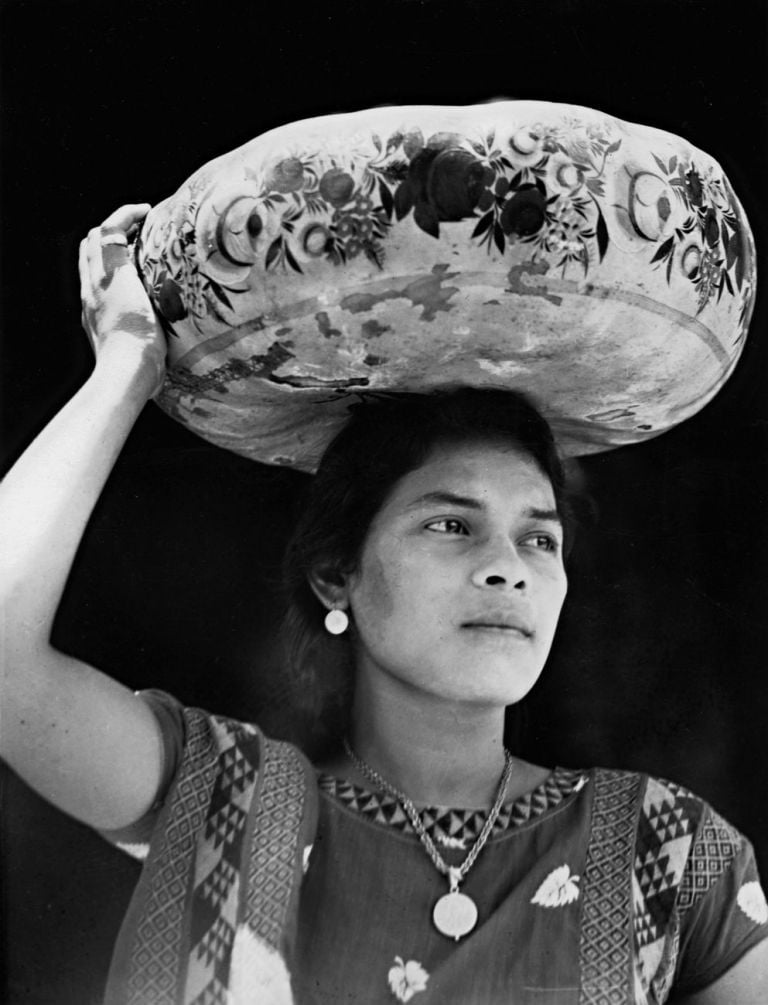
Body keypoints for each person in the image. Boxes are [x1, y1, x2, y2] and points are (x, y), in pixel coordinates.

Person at [2, 203, 767, 1005]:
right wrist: (125, 364)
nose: (507, 568)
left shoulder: (668, 850)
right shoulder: (224, 795)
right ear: (337, 574)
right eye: (450, 524)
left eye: (539, 539)